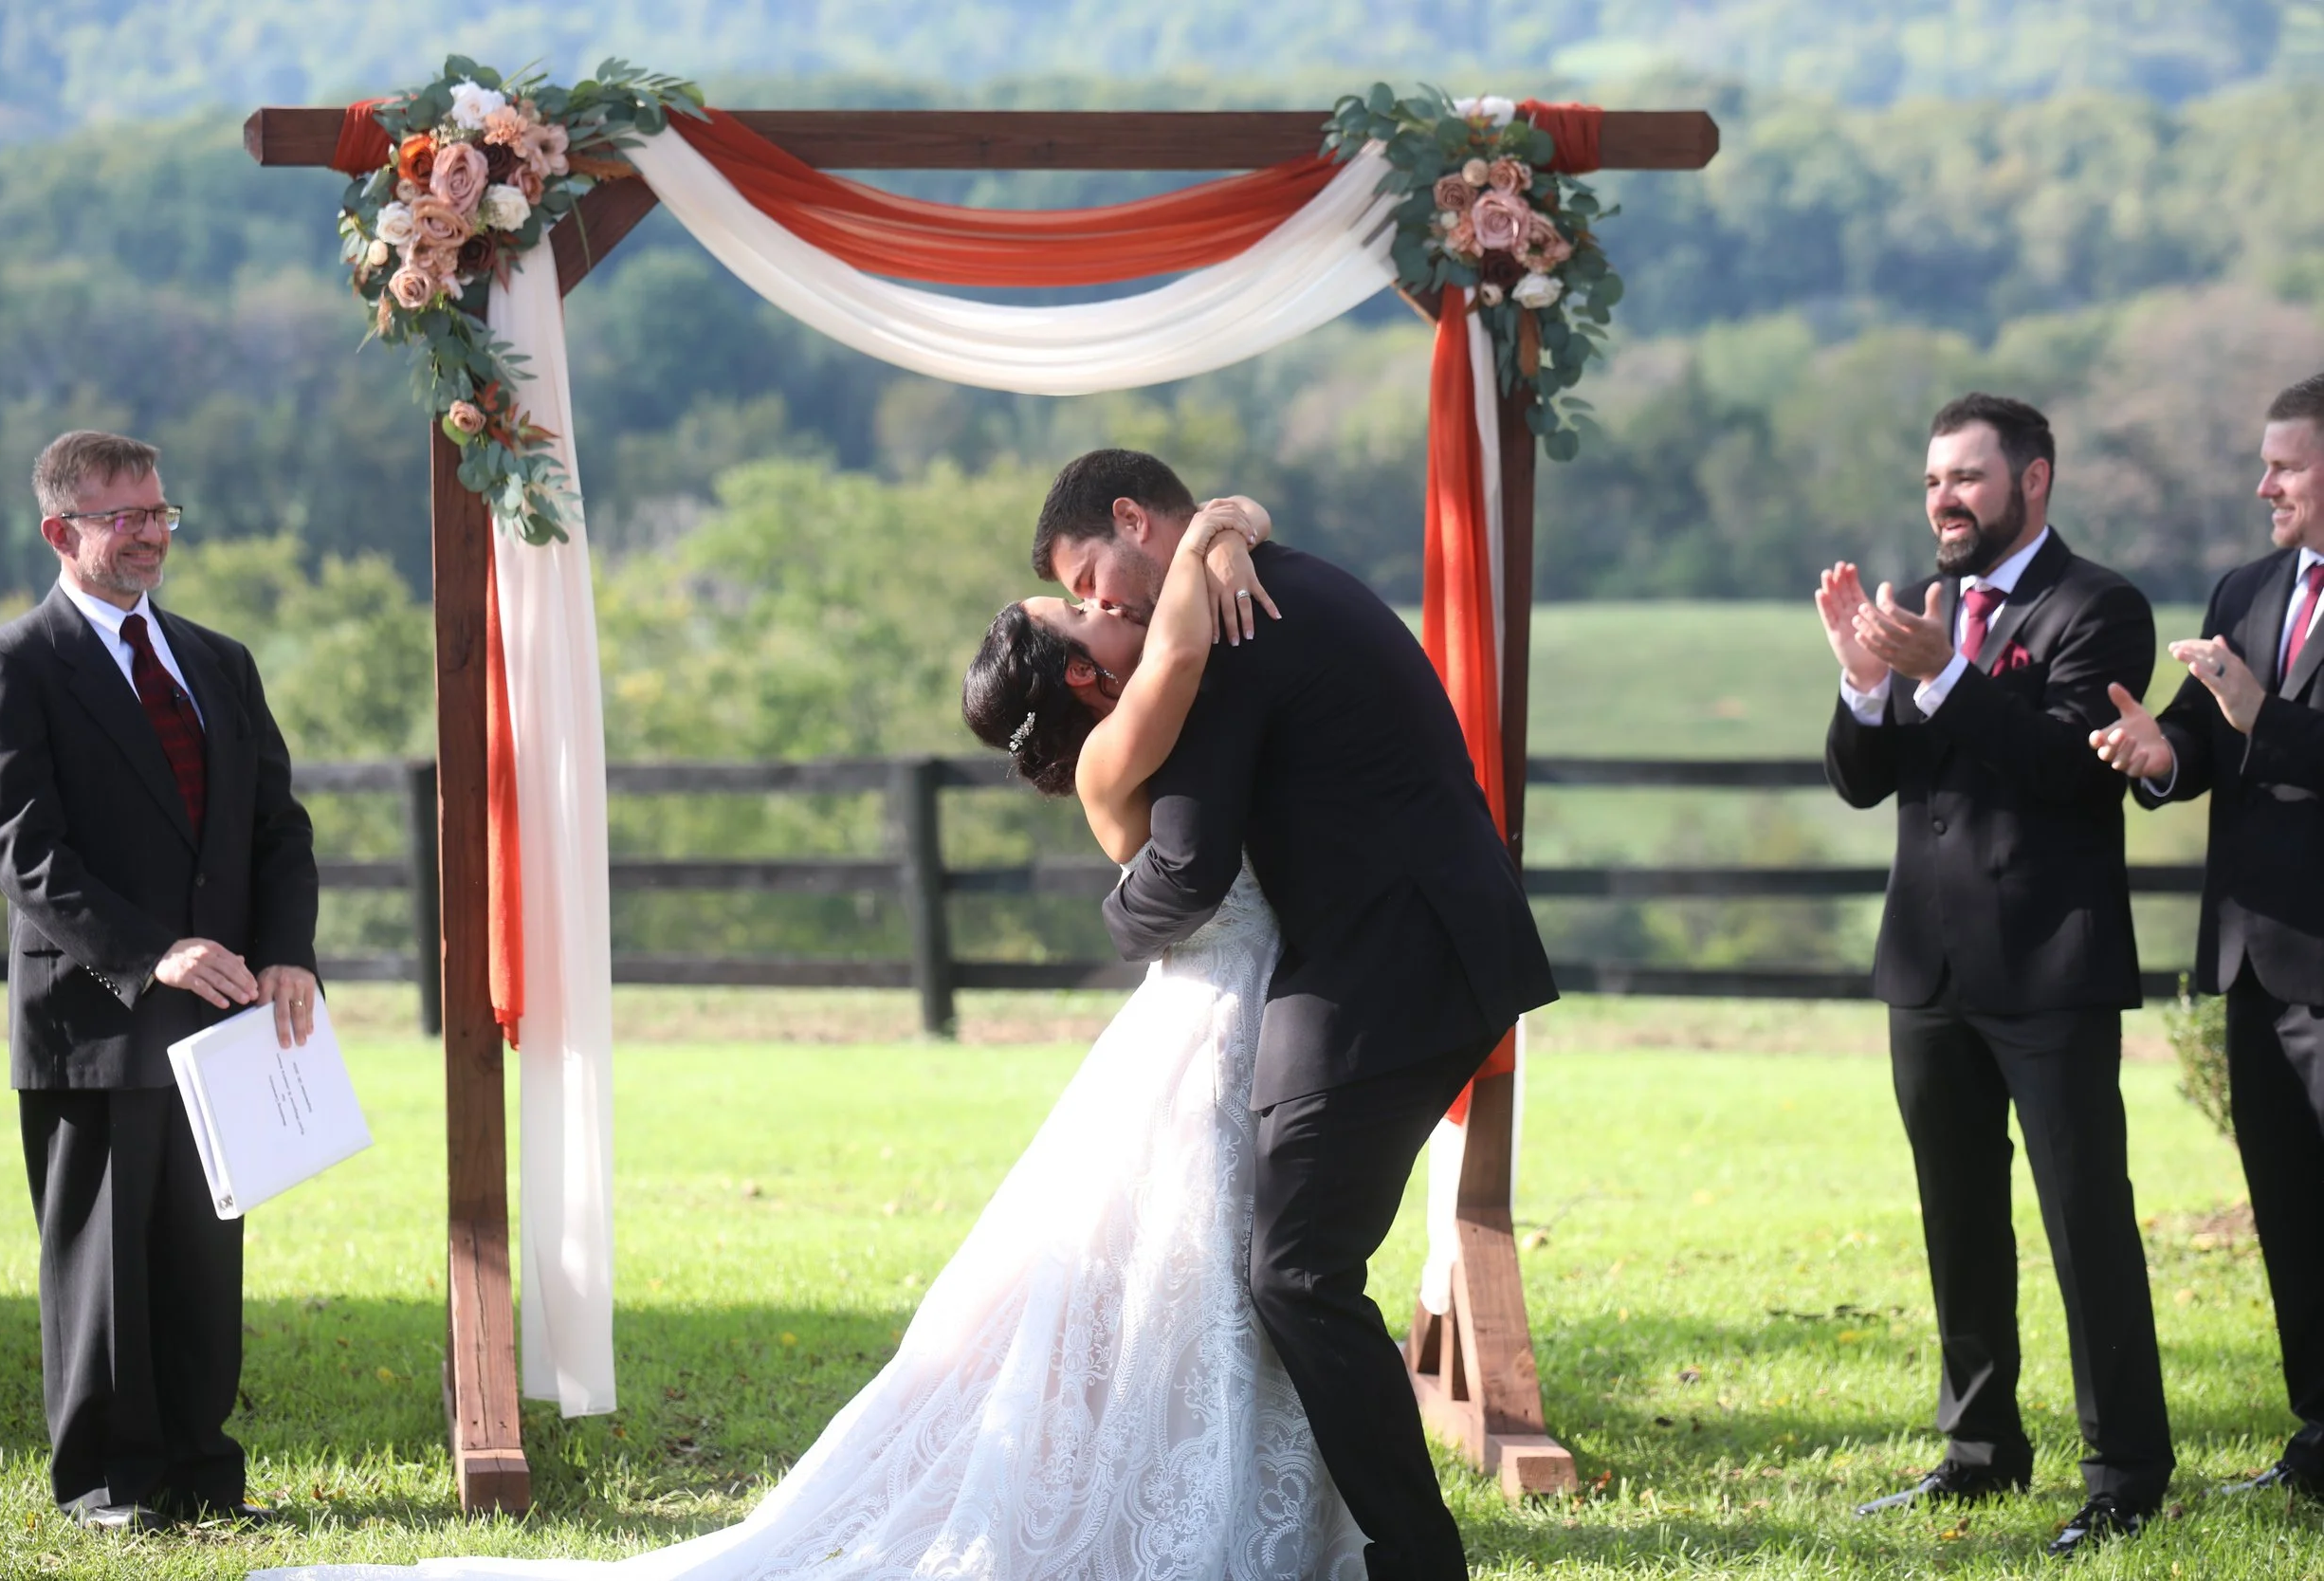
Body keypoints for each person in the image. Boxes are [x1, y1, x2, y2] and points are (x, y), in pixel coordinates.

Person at [254, 485, 1376, 1581]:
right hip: (1213, 1025)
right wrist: (1219, 531)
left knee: (1222, 1268)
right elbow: (1181, 653)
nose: (1103, 606)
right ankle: (1185, 1501)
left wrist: (1228, 530)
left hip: (1242, 1012)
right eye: (1080, 607)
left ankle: (1254, 1484)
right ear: (1080, 673)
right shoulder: (1113, 747)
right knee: (1208, 1262)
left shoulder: (1138, 721)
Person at [1054, 449, 1556, 1581]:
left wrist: (1116, 923)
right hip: (1403, 951)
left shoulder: (1225, 625)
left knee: (1295, 1270)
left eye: (1092, 575)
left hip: (1398, 966)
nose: (1102, 605)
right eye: (1081, 608)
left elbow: (1183, 873)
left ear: (1133, 518)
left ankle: (1415, 1557)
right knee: (1296, 1262)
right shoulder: (1259, 574)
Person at [1816, 395, 2172, 1557]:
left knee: (2085, 1223)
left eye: (1966, 477)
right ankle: (1977, 1449)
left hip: (2048, 965)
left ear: (2034, 481)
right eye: (1931, 481)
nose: (1944, 501)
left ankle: (2125, 1467)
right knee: (1956, 1217)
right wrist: (1863, 683)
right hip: (1926, 965)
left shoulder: (2099, 605)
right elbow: (1865, 783)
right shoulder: (1927, 612)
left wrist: (1943, 675)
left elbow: (2074, 771)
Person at [0, 431, 320, 1533]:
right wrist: (146, 949)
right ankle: (110, 1484)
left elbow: (277, 827)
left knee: (205, 1256)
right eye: (128, 516)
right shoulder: (6, 664)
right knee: (102, 1266)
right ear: (62, 531)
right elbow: (21, 847)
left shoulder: (220, 661)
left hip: (225, 1017)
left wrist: (290, 949)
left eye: (162, 512)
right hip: (95, 1012)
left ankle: (205, 1475)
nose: (154, 532)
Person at [2092, 371, 2324, 1503]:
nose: (2261, 482)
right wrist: (2159, 753)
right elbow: (2201, 737)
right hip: (2250, 955)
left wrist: (2258, 716)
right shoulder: (2249, 584)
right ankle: (2319, 1434)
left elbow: (2257, 722)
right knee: (2289, 1206)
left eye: (2284, 464)